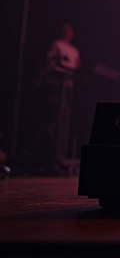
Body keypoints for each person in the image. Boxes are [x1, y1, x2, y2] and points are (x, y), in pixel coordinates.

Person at [37, 23, 80, 172]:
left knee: (64, 121)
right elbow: (49, 64)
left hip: (67, 87)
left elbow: (76, 67)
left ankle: (60, 156)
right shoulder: (56, 45)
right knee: (54, 119)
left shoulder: (74, 50)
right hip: (55, 86)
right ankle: (49, 157)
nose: (67, 33)